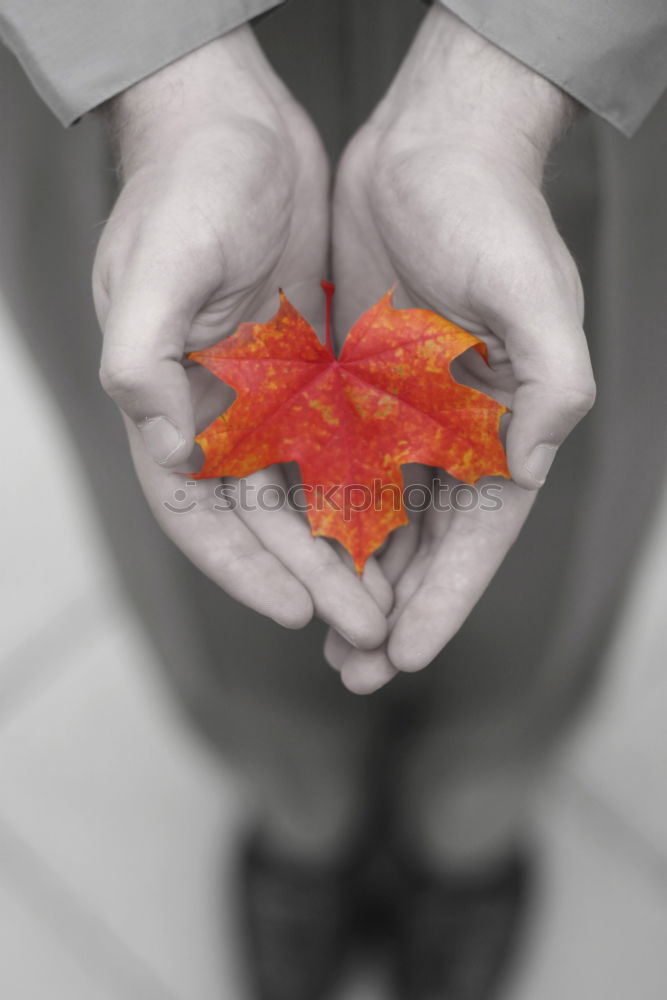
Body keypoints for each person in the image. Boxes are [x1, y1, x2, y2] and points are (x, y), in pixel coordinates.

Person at [1, 1, 667, 998]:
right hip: (142, 89)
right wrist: (164, 70)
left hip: (584, 82)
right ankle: (296, 814)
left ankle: (473, 827)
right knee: (197, 516)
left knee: (548, 547)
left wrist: (516, 62)